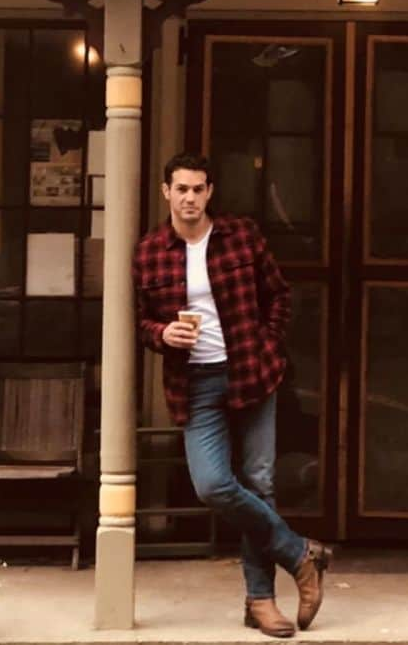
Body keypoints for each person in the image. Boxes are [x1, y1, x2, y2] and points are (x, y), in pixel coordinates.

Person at [133, 152, 332, 638]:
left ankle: (260, 601)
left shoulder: (241, 237)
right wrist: (163, 335)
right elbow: (140, 321)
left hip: (251, 373)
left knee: (260, 482)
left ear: (210, 192)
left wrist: (267, 341)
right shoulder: (150, 252)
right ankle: (300, 553)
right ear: (166, 192)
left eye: (198, 189)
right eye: (181, 188)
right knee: (213, 485)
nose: (190, 198)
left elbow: (280, 295)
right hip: (195, 383)